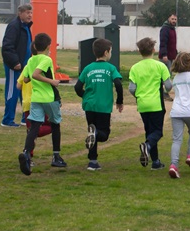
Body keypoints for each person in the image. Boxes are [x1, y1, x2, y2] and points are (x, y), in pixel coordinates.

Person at [18, 33, 65, 175]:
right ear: (48, 46)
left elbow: (25, 79)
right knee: (55, 124)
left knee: (34, 127)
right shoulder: (46, 59)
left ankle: (26, 153)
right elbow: (36, 75)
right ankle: (56, 156)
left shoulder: (30, 61)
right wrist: (52, 81)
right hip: (49, 97)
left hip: (36, 98)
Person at [74, 38, 124, 172]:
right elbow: (118, 84)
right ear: (106, 52)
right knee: (104, 133)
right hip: (103, 106)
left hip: (89, 105)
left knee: (92, 131)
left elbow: (78, 87)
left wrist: (85, 96)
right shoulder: (110, 68)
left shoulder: (88, 68)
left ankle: (93, 162)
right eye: (111, 51)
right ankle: (95, 135)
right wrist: (120, 100)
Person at [129, 37, 173, 170]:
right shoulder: (160, 66)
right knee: (157, 132)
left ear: (139, 52)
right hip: (156, 104)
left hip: (142, 104)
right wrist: (165, 90)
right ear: (154, 50)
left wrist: (139, 96)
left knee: (149, 132)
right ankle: (147, 147)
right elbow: (169, 85)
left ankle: (155, 161)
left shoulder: (135, 68)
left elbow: (132, 88)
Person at [1, 4, 33, 127]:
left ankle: (25, 118)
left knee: (25, 92)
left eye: (31, 13)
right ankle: (7, 120)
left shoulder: (26, 26)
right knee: (12, 91)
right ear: (20, 13)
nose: (30, 15)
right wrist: (14, 62)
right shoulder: (14, 26)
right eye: (27, 13)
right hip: (14, 66)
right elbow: (7, 47)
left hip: (25, 66)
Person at [159, 14, 178, 101]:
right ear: (168, 19)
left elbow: (172, 44)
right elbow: (163, 42)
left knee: (168, 75)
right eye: (172, 19)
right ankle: (163, 93)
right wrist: (164, 55)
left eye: (175, 19)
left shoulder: (172, 29)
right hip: (165, 57)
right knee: (166, 75)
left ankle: (163, 93)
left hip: (171, 56)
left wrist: (175, 53)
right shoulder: (165, 29)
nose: (174, 21)